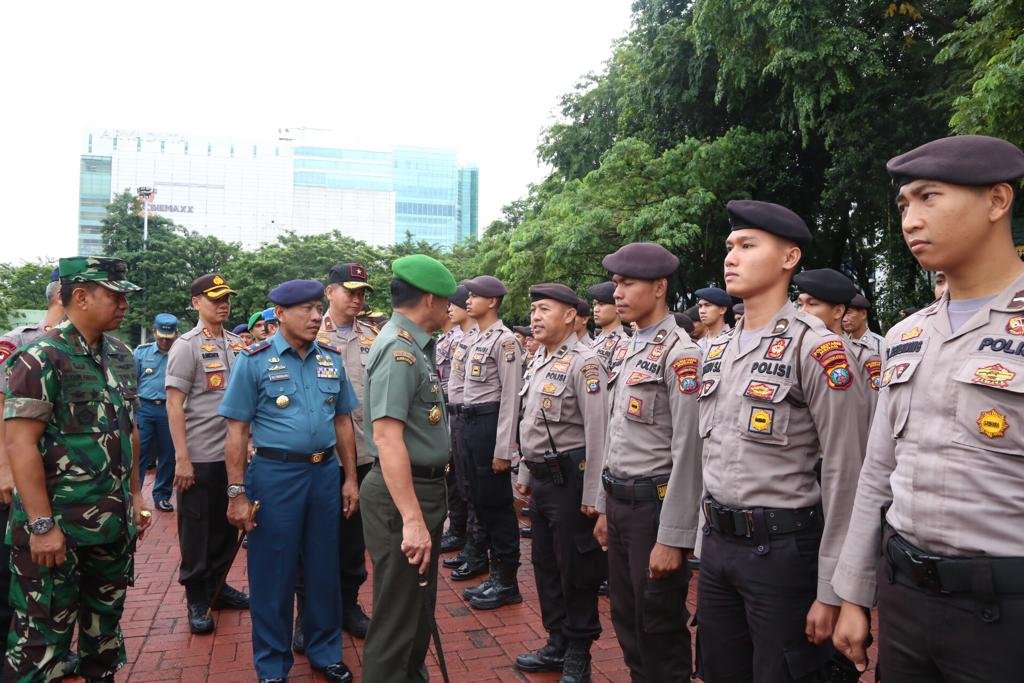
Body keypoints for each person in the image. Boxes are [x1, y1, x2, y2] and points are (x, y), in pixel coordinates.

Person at [832, 135, 1024, 680]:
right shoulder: (908, 333)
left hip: (1005, 616)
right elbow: (877, 474)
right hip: (906, 603)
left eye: (929, 197)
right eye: (903, 206)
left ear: (996, 201)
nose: (911, 220)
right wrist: (852, 595)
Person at [696, 201, 868, 682]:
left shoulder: (817, 347)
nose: (731, 256)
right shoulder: (718, 349)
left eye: (748, 246)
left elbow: (846, 473)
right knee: (719, 671)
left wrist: (835, 588)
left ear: (789, 258)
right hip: (718, 547)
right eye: (730, 246)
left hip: (783, 552)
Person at [3, 256, 151, 682]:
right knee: (41, 639)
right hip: (58, 530)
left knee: (103, 633)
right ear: (81, 296)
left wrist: (137, 495)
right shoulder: (39, 358)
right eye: (115, 295)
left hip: (110, 527)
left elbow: (130, 428)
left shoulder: (122, 355)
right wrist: (41, 524)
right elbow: (20, 443)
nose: (124, 304)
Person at [220, 279, 358, 683]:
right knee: (272, 572)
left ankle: (324, 650)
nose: (317, 317)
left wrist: (349, 478)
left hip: (323, 475)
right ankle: (272, 664)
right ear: (279, 314)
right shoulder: (254, 359)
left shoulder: (330, 358)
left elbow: (343, 421)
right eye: (306, 310)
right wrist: (236, 493)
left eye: (318, 308)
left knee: (323, 568)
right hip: (276, 476)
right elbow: (236, 431)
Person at [591, 242, 704, 681]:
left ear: (659, 288)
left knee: (658, 623)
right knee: (626, 617)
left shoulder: (681, 354)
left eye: (627, 283)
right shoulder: (629, 347)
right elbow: (615, 437)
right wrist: (603, 506)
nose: (617, 293)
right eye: (616, 283)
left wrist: (673, 538)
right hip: (620, 505)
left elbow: (688, 452)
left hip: (654, 509)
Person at [360, 255, 456, 682]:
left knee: (415, 614)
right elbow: (387, 438)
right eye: (448, 301)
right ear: (430, 299)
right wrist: (413, 520)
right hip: (405, 497)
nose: (451, 309)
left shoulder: (413, 344)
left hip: (420, 491)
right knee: (397, 622)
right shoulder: (399, 350)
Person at [513, 283, 608, 682]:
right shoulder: (538, 360)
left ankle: (579, 652)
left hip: (572, 479)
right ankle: (556, 641)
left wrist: (594, 496)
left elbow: (600, 433)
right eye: (533, 310)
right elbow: (529, 422)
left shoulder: (586, 363)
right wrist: (523, 474)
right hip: (541, 477)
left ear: (570, 315)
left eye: (544, 310)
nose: (535, 317)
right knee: (544, 563)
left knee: (577, 568)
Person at [166, 274, 249, 634]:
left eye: (226, 298)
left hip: (231, 458)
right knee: (196, 531)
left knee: (224, 527)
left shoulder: (235, 344)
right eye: (214, 298)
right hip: (199, 456)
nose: (222, 304)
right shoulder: (186, 346)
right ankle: (197, 597)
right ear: (196, 302)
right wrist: (181, 458)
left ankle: (218, 587)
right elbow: (173, 404)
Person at [0, 267, 63, 663]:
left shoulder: (94, 349)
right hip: (16, 479)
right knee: (11, 577)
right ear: (64, 296)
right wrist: (5, 469)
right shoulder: (20, 342)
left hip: (60, 483)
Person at [315, 262, 377, 639]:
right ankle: (311, 613)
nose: (356, 298)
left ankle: (349, 604)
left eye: (361, 292)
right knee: (317, 538)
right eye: (349, 290)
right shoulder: (308, 333)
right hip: (321, 456)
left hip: (365, 454)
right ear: (329, 292)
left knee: (354, 540)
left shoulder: (373, 336)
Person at [460, 275, 524, 610]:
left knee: (498, 506)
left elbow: (511, 397)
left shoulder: (506, 341)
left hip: (490, 424)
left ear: (493, 301)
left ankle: (507, 580)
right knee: (481, 501)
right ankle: (494, 573)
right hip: (471, 423)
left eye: (476, 296)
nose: (469, 300)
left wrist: (504, 450)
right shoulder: (475, 339)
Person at [442, 285, 490, 581]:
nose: (451, 308)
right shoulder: (459, 340)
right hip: (455, 417)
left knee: (474, 491)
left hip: (474, 421)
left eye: (458, 303)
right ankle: (465, 538)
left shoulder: (486, 340)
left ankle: (476, 548)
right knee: (460, 484)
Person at [134, 313, 179, 512]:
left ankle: (162, 495)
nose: (164, 341)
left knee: (168, 454)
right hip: (145, 408)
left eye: (168, 338)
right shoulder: (141, 353)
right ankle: (135, 496)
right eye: (161, 337)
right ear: (154, 332)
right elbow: (132, 383)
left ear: (176, 335)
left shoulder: (180, 353)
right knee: (139, 453)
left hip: (170, 409)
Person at [587, 281, 627, 372]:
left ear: (617, 307)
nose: (596, 309)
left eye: (601, 304)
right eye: (594, 304)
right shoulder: (598, 338)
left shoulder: (623, 343)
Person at [694, 286, 733, 354]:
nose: (702, 311)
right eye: (700, 306)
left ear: (722, 310)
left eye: (707, 305)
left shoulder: (734, 339)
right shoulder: (699, 343)